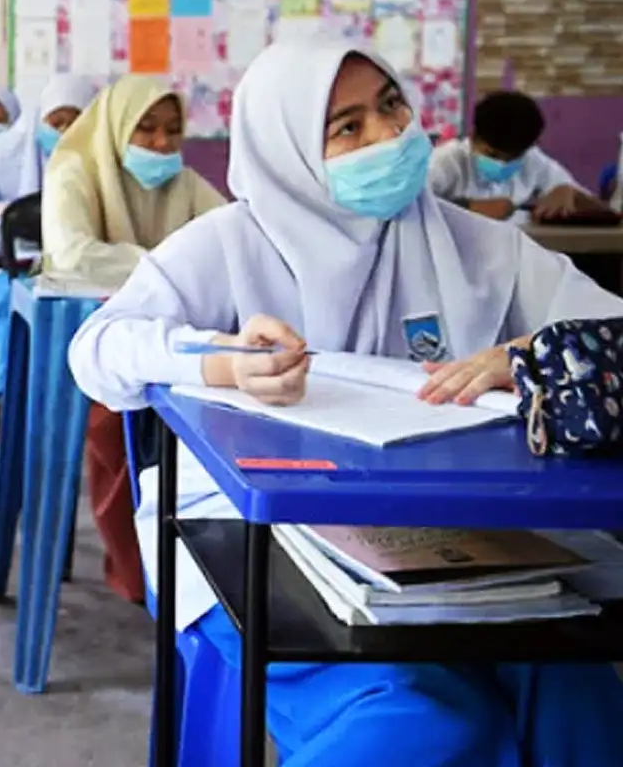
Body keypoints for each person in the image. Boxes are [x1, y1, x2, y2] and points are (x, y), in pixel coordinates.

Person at [69, 39, 623, 767]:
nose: (390, 135)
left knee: (578, 695)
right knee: (428, 720)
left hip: (455, 529)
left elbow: (610, 331)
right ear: (289, 149)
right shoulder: (230, 243)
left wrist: (531, 356)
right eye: (349, 128)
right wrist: (222, 362)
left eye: (392, 106)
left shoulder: (479, 247)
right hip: (256, 541)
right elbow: (98, 349)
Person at [40, 76, 225, 603]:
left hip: (168, 338)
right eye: (146, 128)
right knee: (116, 427)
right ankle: (138, 569)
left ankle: (190, 569)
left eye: (172, 130)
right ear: (117, 127)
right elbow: (74, 255)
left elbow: (234, 240)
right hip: (89, 339)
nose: (161, 144)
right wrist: (168, 269)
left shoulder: (184, 184)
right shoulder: (75, 170)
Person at [0, 73, 93, 428]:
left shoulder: (97, 159)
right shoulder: (8, 150)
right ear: (40, 120)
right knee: (13, 313)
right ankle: (8, 405)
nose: (63, 132)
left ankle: (63, 420)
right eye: (56, 122)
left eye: (74, 123)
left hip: (76, 273)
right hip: (3, 269)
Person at [428, 89, 603, 222]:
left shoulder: (532, 159)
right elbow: (413, 206)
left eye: (513, 157)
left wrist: (568, 192)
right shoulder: (446, 161)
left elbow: (601, 209)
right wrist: (469, 207)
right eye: (492, 154)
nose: (502, 164)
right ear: (473, 137)